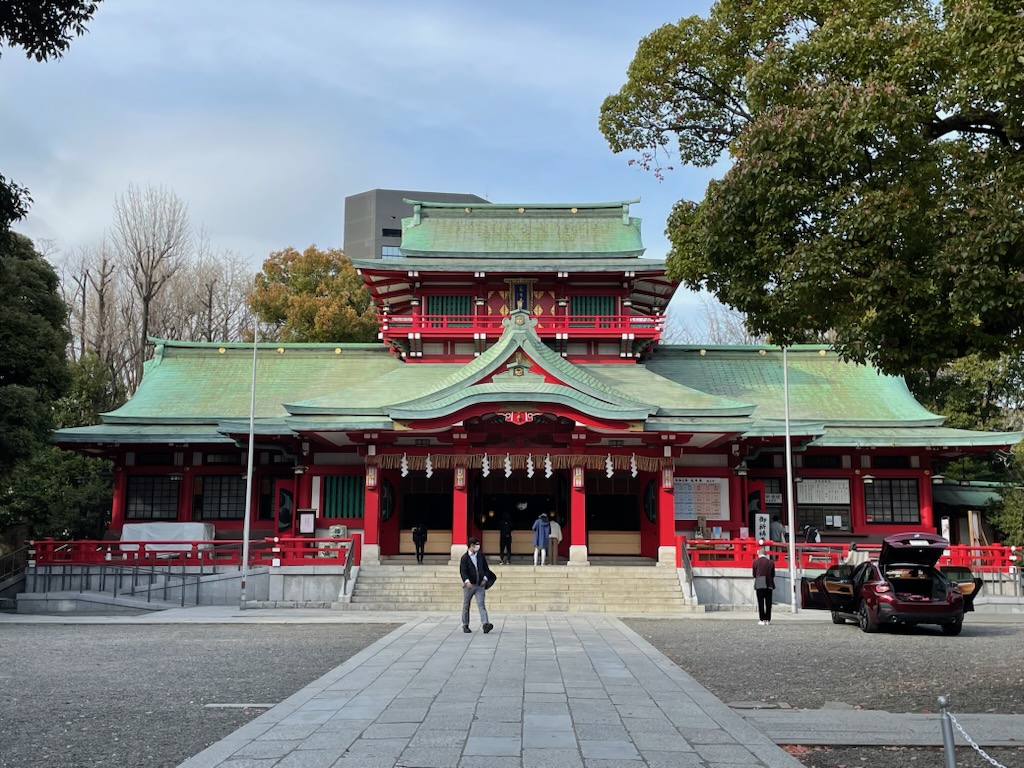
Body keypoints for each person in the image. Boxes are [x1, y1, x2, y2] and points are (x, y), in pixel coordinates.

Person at [459, 537, 493, 634]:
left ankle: (485, 624)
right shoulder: (465, 558)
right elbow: (463, 571)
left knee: (481, 605)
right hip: (469, 585)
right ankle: (465, 624)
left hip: (480, 585)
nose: (478, 546)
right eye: (476, 545)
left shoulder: (480, 556)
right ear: (471, 545)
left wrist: (485, 579)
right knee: (466, 605)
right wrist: (466, 581)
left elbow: (486, 569)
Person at [752, 548, 776, 625]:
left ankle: (762, 619)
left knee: (760, 602)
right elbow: (773, 574)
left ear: (758, 554)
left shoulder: (755, 562)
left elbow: (754, 574)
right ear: (766, 554)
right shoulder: (771, 562)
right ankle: (767, 619)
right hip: (769, 583)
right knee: (768, 603)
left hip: (759, 583)